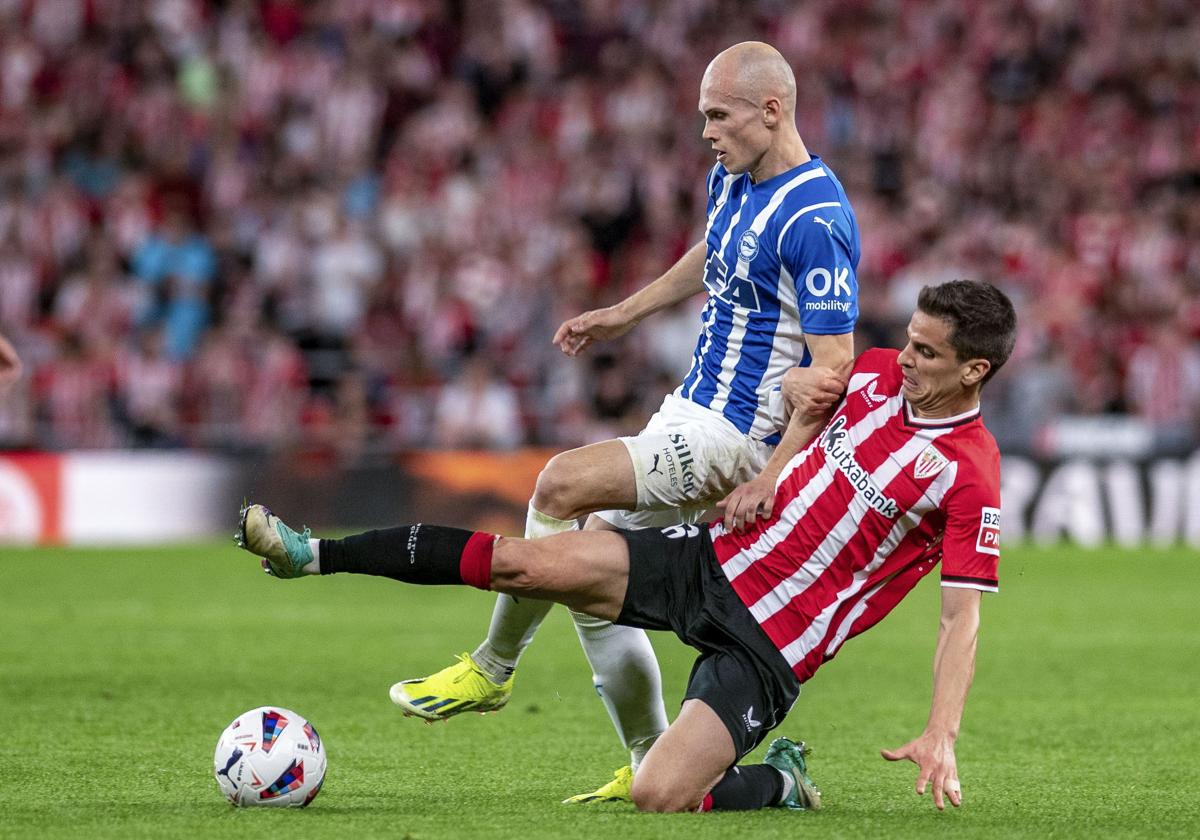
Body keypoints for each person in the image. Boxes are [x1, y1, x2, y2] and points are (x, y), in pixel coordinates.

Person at [237, 279, 1016, 814]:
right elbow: (810, 405)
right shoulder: (878, 375)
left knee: (659, 795)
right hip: (711, 558)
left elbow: (960, 620)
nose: (905, 358)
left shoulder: (971, 475)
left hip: (771, 645)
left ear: (974, 369)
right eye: (909, 343)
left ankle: (779, 780)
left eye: (927, 353)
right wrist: (773, 467)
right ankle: (314, 554)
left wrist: (941, 733)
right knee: (524, 562)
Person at [388, 40, 861, 802]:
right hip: (691, 407)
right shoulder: (733, 177)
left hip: (737, 437)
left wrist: (773, 476)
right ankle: (647, 759)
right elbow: (715, 253)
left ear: (771, 112)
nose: (705, 130)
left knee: (560, 483)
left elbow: (833, 369)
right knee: (587, 563)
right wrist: (622, 313)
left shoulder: (818, 217)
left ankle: (493, 668)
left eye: (719, 115)